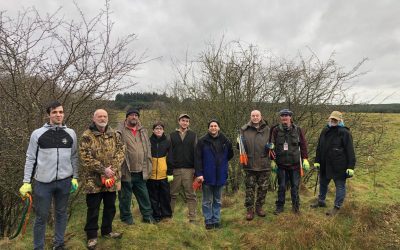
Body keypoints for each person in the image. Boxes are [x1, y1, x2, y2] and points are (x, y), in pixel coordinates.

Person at [19, 100, 78, 250]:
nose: (58, 115)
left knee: (61, 214)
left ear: (64, 113)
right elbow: (30, 157)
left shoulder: (71, 133)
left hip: (65, 182)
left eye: (61, 112)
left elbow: (74, 157)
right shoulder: (37, 134)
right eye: (54, 112)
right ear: (49, 115)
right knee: (41, 217)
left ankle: (59, 244)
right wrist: (26, 181)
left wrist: (75, 177)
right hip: (43, 183)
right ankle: (38, 247)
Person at [79, 109, 125, 249]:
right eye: (99, 116)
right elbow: (85, 157)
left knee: (110, 207)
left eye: (104, 116)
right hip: (93, 180)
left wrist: (112, 169)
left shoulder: (115, 134)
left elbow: (121, 151)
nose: (102, 118)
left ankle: (107, 230)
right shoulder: (87, 136)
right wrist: (103, 169)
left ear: (108, 118)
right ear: (94, 118)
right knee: (93, 208)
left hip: (111, 178)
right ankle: (92, 236)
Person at [311, 111, 356, 216]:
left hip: (339, 166)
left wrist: (351, 167)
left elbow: (350, 151)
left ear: (340, 120)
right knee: (323, 183)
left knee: (340, 186)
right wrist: (317, 160)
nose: (333, 121)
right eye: (332, 119)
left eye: (335, 119)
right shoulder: (325, 130)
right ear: (329, 119)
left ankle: (337, 207)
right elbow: (319, 147)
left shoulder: (345, 133)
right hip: (324, 164)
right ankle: (321, 201)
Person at [269, 109, 309, 215]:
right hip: (281, 164)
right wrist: (272, 160)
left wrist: (305, 159)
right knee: (281, 186)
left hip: (295, 165)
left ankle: (296, 208)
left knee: (295, 186)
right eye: (282, 115)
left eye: (286, 115)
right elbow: (271, 146)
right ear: (280, 117)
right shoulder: (275, 130)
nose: (284, 117)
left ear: (290, 117)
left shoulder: (298, 130)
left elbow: (303, 145)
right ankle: (279, 207)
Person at [118, 108, 155, 224]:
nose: (134, 117)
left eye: (136, 115)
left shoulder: (143, 130)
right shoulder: (120, 130)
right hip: (126, 170)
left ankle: (147, 216)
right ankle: (126, 218)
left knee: (144, 196)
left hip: (141, 171)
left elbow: (148, 148)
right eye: (131, 115)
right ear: (127, 117)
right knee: (125, 198)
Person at [195, 119, 233, 229]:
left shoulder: (225, 141)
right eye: (211, 126)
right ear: (208, 128)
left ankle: (216, 220)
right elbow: (197, 159)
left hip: (220, 175)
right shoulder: (202, 141)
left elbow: (230, 155)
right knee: (207, 201)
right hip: (207, 175)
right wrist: (199, 174)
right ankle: (208, 221)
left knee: (217, 200)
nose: (213, 128)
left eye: (215, 126)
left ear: (219, 128)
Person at [239, 110, 271, 220]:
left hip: (264, 164)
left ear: (261, 116)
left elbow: (273, 144)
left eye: (257, 115)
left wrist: (272, 146)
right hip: (250, 165)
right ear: (250, 117)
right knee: (249, 189)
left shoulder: (268, 129)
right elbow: (240, 148)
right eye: (253, 115)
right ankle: (249, 210)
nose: (255, 117)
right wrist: (239, 143)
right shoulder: (244, 129)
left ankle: (259, 208)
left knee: (263, 188)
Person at [169, 114, 198, 223]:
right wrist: (170, 169)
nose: (184, 122)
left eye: (187, 121)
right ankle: (169, 216)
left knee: (191, 194)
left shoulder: (193, 135)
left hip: (189, 170)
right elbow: (169, 153)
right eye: (183, 120)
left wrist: (197, 169)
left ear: (188, 123)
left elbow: (196, 153)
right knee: (172, 194)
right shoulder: (172, 135)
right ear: (179, 121)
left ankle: (192, 218)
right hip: (175, 170)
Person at [147, 121, 173, 222]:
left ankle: (166, 215)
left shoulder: (167, 142)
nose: (158, 130)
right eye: (156, 128)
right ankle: (156, 216)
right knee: (153, 197)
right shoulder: (148, 141)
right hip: (151, 175)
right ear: (153, 130)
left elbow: (170, 158)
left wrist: (170, 173)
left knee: (165, 196)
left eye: (160, 129)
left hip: (164, 175)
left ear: (163, 130)